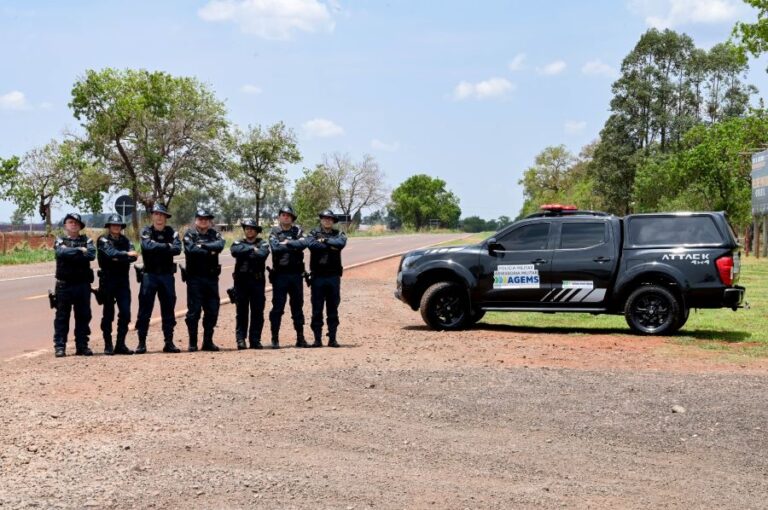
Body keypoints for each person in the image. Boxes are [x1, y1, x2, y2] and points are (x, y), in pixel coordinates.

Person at [135, 203, 182, 354]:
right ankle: (141, 343)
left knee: (168, 309)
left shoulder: (172, 232)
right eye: (156, 214)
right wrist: (167, 246)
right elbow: (147, 246)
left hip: (167, 276)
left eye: (162, 214)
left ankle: (169, 342)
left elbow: (177, 249)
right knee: (145, 310)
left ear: (166, 217)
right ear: (152, 216)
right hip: (150, 276)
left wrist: (159, 246)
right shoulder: (146, 231)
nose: (159, 217)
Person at [52, 213, 96, 357]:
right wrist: (79, 250)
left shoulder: (87, 240)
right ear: (65, 225)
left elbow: (90, 255)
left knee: (83, 316)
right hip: (64, 286)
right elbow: (60, 253)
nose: (73, 224)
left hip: (82, 285)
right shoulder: (60, 240)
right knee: (62, 317)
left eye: (76, 222)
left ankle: (82, 346)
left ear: (80, 226)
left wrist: (71, 251)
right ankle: (60, 346)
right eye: (70, 222)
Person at [183, 209, 225, 352]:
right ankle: (193, 343)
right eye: (201, 218)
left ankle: (208, 342)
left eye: (206, 219)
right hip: (195, 279)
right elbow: (191, 250)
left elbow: (220, 245)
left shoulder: (215, 234)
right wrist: (210, 251)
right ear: (196, 220)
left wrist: (203, 246)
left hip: (211, 279)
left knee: (212, 310)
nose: (203, 221)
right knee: (194, 312)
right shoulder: (189, 234)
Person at [97, 214, 138, 355]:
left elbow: (134, 257)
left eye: (118, 225)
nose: (116, 227)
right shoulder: (102, 239)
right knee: (108, 314)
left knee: (126, 313)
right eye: (113, 224)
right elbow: (110, 253)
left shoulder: (126, 240)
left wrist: (118, 257)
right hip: (108, 280)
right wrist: (124, 255)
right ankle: (108, 344)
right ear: (108, 226)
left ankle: (120, 344)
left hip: (122, 281)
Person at [268, 205, 308, 349]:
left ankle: (300, 338)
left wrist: (288, 243)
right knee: (277, 308)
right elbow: (275, 247)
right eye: (283, 215)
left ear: (292, 218)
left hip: (296, 275)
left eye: (288, 215)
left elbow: (304, 243)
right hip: (280, 276)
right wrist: (294, 245)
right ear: (279, 217)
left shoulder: (297, 230)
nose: (286, 217)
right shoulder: (274, 232)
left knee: (297, 307)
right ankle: (275, 338)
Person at [307, 209, 347, 347]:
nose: (327, 220)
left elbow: (341, 244)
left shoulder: (339, 234)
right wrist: (331, 245)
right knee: (317, 309)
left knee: (333, 308)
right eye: (324, 218)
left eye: (330, 219)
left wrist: (324, 241)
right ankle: (317, 339)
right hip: (317, 277)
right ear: (321, 220)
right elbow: (311, 245)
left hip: (333, 277)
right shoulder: (313, 233)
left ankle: (332, 338)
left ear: (333, 221)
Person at [230, 218, 270, 349]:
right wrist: (253, 249)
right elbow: (235, 252)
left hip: (257, 282)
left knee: (257, 312)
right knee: (241, 312)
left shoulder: (263, 243)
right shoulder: (237, 242)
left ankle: (255, 340)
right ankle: (240, 339)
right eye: (247, 228)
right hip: (241, 282)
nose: (249, 230)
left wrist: (246, 251)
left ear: (256, 231)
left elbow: (262, 254)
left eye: (252, 228)